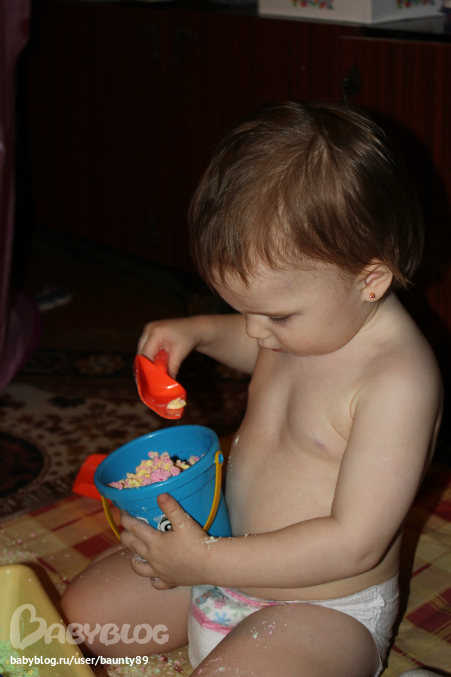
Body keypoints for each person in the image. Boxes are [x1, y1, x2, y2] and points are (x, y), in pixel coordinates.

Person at [61, 101, 443, 677]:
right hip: (220, 556)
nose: (257, 333)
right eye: (241, 310)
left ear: (371, 279)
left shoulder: (398, 382)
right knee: (72, 621)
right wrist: (200, 332)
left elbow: (354, 543)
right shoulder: (310, 319)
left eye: (275, 317)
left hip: (321, 608)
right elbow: (259, 346)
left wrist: (205, 560)